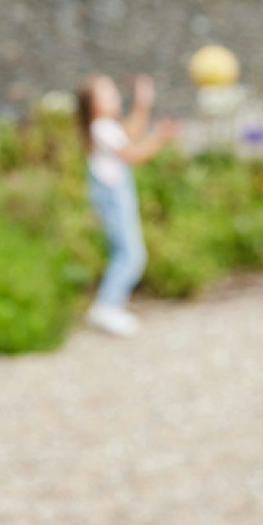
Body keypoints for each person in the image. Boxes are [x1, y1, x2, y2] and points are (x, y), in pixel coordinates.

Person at [76, 73, 173, 337]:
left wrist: (142, 105)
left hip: (118, 200)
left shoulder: (107, 129)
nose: (114, 97)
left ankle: (110, 306)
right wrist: (160, 138)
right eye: (106, 93)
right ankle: (106, 306)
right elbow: (133, 153)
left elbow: (130, 133)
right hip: (113, 201)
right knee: (129, 254)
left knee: (129, 253)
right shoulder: (101, 128)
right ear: (91, 105)